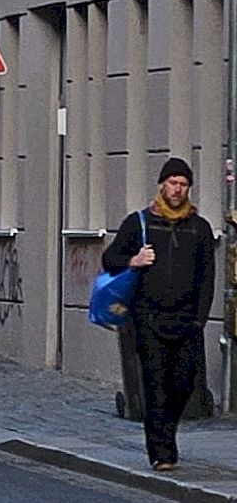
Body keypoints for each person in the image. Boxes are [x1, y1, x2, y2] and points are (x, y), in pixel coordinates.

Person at [103, 157, 216, 472]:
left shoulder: (199, 228)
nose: (177, 190)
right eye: (172, 183)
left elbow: (207, 277)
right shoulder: (140, 223)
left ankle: (168, 431)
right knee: (155, 386)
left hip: (186, 321)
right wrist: (134, 260)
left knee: (182, 385)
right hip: (148, 319)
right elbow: (110, 258)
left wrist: (199, 319)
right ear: (162, 185)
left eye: (183, 185)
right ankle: (162, 452)